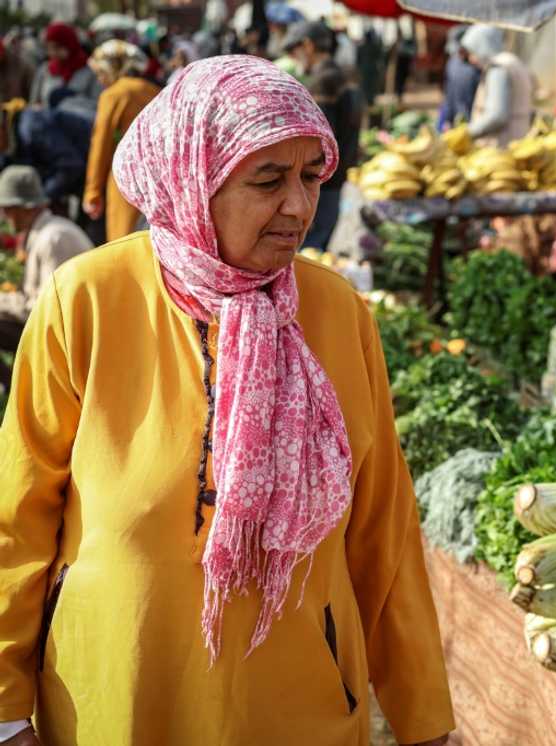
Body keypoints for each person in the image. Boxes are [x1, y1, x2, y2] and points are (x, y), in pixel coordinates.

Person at [0, 55, 453, 746]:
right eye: (268, 180)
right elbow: (17, 516)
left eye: (311, 178)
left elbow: (383, 535)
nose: (300, 207)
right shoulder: (86, 300)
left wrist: (424, 720)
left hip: (299, 706)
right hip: (116, 700)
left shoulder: (338, 313)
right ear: (191, 178)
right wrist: (6, 710)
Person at [0, 166, 92, 391]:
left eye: (7, 209)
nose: (5, 216)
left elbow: (47, 309)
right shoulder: (46, 233)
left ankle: (21, 393)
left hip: (72, 335)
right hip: (57, 325)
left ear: (23, 208)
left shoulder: (53, 238)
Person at [285, 21, 362, 250]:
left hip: (323, 182)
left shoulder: (323, 80)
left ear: (307, 46)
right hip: (336, 178)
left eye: (294, 51)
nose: (294, 58)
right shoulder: (342, 74)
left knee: (309, 249)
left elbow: (316, 140)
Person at [83, 41, 161, 242]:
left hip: (125, 180)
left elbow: (101, 145)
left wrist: (92, 192)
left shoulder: (114, 94)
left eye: (101, 72)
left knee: (123, 244)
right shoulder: (154, 89)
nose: (100, 80)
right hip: (158, 179)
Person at [0, 98, 92, 212]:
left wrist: (41, 199)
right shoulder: (9, 142)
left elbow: (70, 165)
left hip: (96, 173)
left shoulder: (31, 127)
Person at [460, 25, 534, 148]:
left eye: (473, 52)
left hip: (502, 145)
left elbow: (497, 116)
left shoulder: (498, 69)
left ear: (482, 45)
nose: (471, 59)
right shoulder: (513, 61)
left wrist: (466, 134)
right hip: (519, 140)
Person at [28, 23, 101, 115]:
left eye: (57, 47)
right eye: (49, 48)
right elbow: (34, 102)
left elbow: (98, 104)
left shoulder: (90, 70)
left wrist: (72, 102)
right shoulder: (45, 71)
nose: (52, 53)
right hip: (48, 125)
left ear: (69, 44)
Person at [436, 25, 480, 131]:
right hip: (455, 119)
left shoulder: (478, 66)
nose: (458, 53)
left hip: (473, 122)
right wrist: (446, 119)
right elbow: (449, 93)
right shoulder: (452, 63)